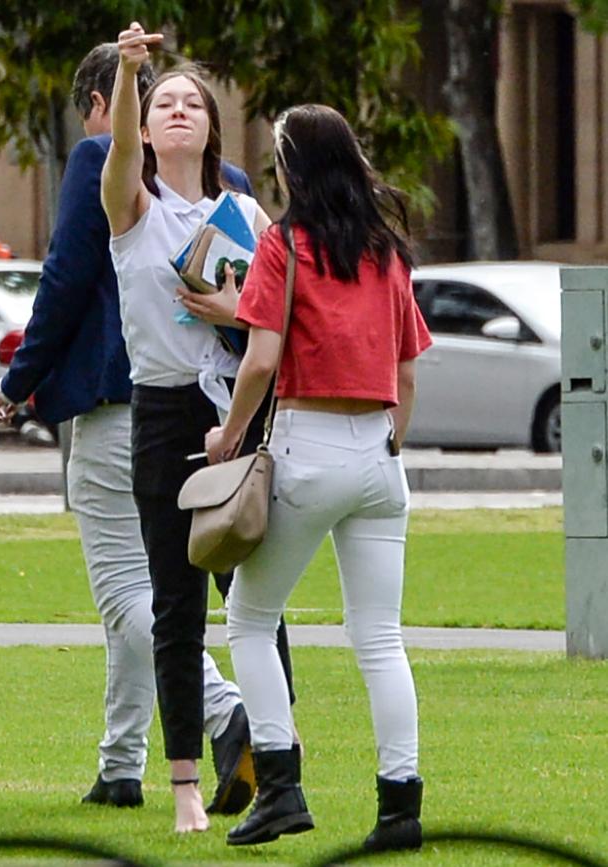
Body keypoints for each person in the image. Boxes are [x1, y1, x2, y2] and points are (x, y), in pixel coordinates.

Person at [0, 42, 262, 817]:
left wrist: (17, 381)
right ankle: (120, 760)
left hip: (122, 402)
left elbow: (68, 277)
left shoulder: (103, 162)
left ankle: (223, 706)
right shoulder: (229, 187)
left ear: (102, 106)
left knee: (127, 589)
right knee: (165, 587)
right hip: (211, 412)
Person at [204, 104, 433, 850]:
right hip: (377, 452)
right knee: (380, 636)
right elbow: (406, 370)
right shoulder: (386, 250)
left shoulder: (284, 244)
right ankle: (401, 805)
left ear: (293, 167)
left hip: (309, 443)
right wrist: (386, 446)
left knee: (249, 617)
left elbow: (262, 359)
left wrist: (229, 435)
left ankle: (281, 785)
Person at [101, 22, 297, 833]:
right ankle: (185, 783)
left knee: (257, 598)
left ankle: (281, 769)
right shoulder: (133, 206)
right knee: (174, 605)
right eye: (163, 104)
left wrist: (233, 310)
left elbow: (280, 318)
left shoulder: (245, 209)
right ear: (145, 130)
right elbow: (114, 152)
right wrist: (128, 72)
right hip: (162, 411)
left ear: (214, 127)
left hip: (236, 410)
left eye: (192, 103)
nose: (177, 110)